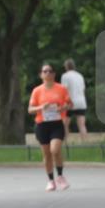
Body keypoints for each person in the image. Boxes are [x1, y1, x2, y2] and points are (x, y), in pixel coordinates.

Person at [28, 63, 71, 191]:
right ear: (41, 75)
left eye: (50, 71)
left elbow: (69, 104)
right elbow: (30, 109)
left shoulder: (61, 89)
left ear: (54, 74)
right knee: (46, 154)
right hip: (42, 124)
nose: (48, 73)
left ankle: (61, 176)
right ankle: (51, 180)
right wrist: (41, 107)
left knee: (55, 150)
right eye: (45, 71)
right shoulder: (37, 90)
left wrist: (63, 107)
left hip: (56, 123)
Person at [60, 59, 88, 140]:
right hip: (81, 102)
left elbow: (64, 90)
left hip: (70, 102)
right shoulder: (80, 75)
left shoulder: (65, 76)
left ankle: (65, 143)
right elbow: (83, 89)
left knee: (65, 124)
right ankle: (85, 143)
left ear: (66, 67)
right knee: (82, 125)